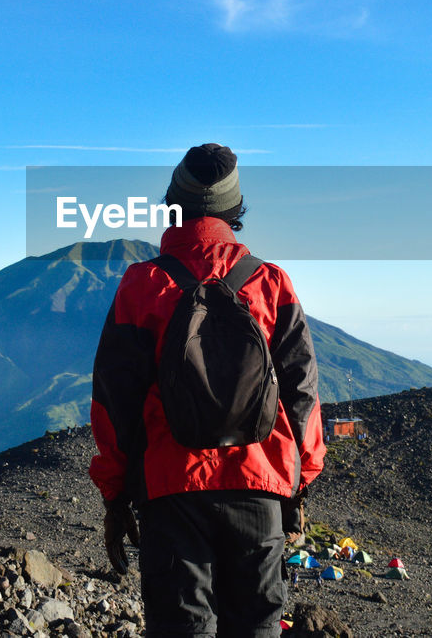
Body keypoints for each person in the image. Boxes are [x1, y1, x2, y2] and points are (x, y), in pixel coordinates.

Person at [89, 142, 326, 637]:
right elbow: (301, 394)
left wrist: (116, 495)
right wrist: (297, 484)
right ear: (234, 210)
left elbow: (115, 402)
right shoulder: (270, 282)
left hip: (171, 492)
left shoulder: (142, 285)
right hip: (259, 486)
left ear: (172, 206)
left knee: (181, 628)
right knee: (257, 625)